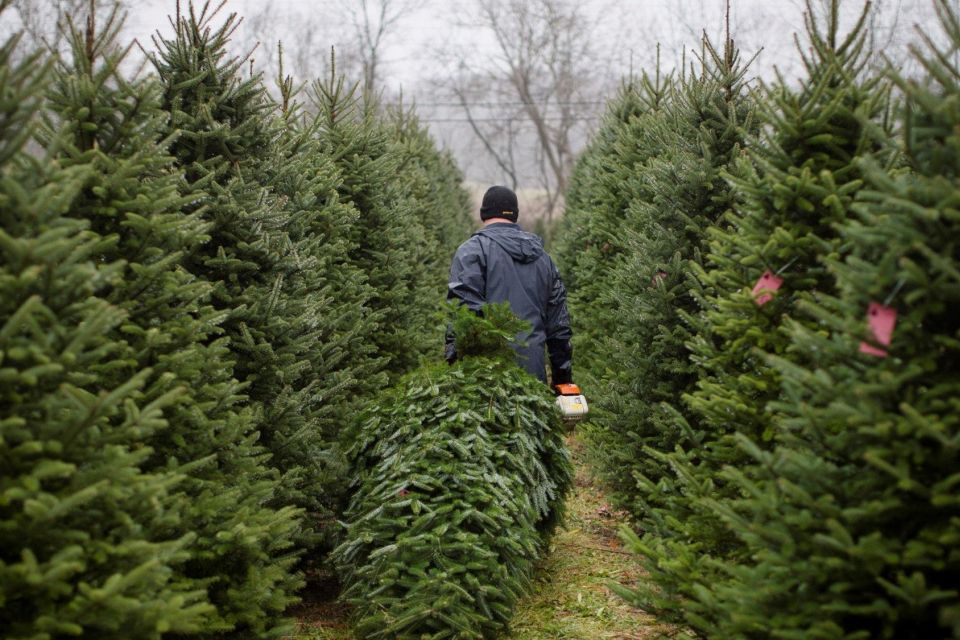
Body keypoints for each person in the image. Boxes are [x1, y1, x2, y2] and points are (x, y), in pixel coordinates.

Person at [446, 185, 573, 385]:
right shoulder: (544, 259)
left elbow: (463, 316)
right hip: (534, 380)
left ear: (483, 214)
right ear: (515, 216)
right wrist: (562, 381)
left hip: (485, 383)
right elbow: (559, 327)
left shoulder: (471, 251)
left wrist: (453, 371)